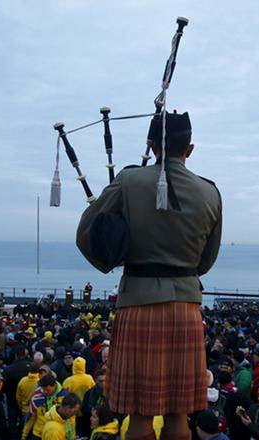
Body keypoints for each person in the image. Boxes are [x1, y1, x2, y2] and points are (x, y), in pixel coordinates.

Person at [76, 111, 221, 440]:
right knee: (178, 416)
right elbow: (207, 261)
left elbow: (86, 231)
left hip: (137, 303)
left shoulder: (128, 181)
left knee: (140, 418)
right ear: (190, 148)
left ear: (152, 145)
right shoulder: (210, 193)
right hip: (185, 307)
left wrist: (113, 257)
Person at [23, 373, 68, 440]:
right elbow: (31, 417)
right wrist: (24, 435)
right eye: (43, 389)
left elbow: (69, 418)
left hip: (54, 433)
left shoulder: (63, 397)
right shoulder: (37, 397)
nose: (44, 392)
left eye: (47, 390)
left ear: (54, 386)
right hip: (38, 434)